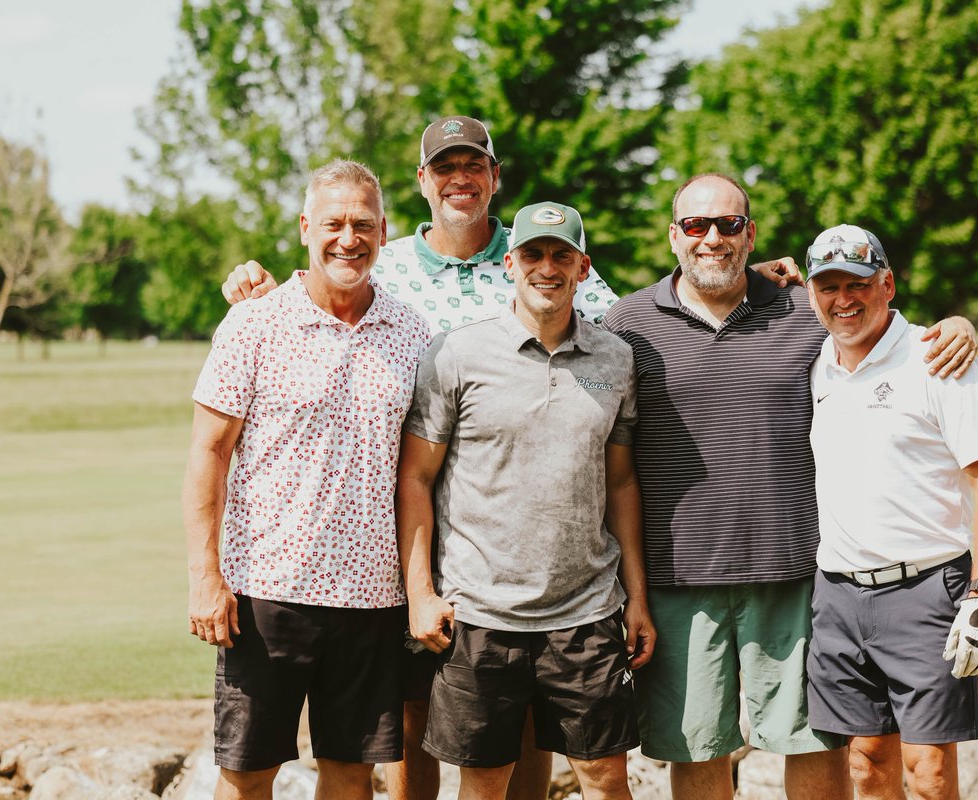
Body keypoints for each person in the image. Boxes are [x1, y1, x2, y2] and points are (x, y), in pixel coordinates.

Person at [217, 117, 802, 800]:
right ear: (423, 182)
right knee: (417, 725)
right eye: (445, 168)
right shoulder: (387, 260)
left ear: (495, 179)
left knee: (518, 734)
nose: (459, 179)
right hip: (424, 547)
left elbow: (639, 325)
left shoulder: (544, 261)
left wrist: (733, 279)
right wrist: (259, 287)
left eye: (474, 167)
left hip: (542, 557)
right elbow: (329, 283)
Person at [601, 174, 978, 800]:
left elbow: (880, 328)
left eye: (729, 224)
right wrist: (633, 593)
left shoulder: (803, 312)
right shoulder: (630, 324)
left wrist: (957, 325)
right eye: (697, 225)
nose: (713, 238)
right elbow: (616, 467)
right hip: (678, 582)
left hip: (798, 576)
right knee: (697, 750)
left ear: (750, 234)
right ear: (674, 236)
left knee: (810, 743)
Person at [182, 159, 431, 800]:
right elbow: (208, 454)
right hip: (266, 594)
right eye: (334, 223)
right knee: (247, 772)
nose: (348, 238)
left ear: (384, 231)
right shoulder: (254, 324)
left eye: (363, 224)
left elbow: (420, 470)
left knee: (351, 774)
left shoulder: (412, 332)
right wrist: (205, 578)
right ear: (304, 228)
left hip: (373, 599)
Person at [396, 201, 655, 800]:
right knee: (484, 786)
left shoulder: (616, 358)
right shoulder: (455, 354)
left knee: (606, 779)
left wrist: (636, 597)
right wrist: (421, 594)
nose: (547, 267)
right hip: (480, 612)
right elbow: (416, 479)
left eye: (561, 255)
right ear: (509, 263)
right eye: (534, 254)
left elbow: (620, 483)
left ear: (583, 267)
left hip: (587, 611)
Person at [803, 224, 978, 800]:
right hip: (839, 595)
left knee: (929, 770)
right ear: (810, 292)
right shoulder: (816, 357)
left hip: (926, 589)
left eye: (858, 282)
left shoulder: (937, 356)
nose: (843, 298)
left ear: (887, 283)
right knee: (866, 762)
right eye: (828, 285)